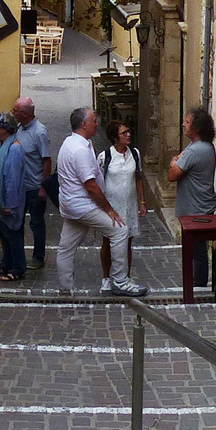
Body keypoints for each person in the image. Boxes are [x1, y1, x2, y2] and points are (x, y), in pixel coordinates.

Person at [57, 107, 147, 296]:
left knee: (66, 247)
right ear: (84, 124)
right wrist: (108, 209)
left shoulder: (70, 143)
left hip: (71, 205)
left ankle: (65, 287)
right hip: (83, 206)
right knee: (120, 230)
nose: (97, 124)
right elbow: (90, 185)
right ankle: (120, 281)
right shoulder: (80, 150)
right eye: (94, 121)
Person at [97, 119, 151, 292]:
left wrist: (142, 202)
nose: (128, 135)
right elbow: (98, 182)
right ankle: (106, 277)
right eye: (124, 133)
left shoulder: (134, 153)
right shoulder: (105, 156)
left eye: (128, 132)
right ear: (115, 137)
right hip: (112, 207)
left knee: (127, 241)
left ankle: (124, 276)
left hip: (129, 205)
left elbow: (138, 178)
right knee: (108, 241)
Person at [170, 106, 216, 288]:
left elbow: (172, 175)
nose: (183, 124)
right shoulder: (204, 147)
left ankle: (198, 284)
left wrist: (173, 162)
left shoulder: (195, 151)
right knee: (197, 248)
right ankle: (197, 281)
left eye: (188, 122)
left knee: (196, 249)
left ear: (196, 128)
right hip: (201, 204)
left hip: (195, 208)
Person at [0, 113, 29, 280]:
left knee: (12, 233)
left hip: (7, 201)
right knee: (3, 233)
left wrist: (11, 204)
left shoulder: (14, 149)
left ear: (5, 129)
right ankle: (6, 264)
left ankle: (18, 267)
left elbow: (13, 179)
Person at [11, 96, 52, 266]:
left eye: (16, 111)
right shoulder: (19, 128)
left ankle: (38, 257)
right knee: (17, 222)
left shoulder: (39, 132)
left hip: (34, 186)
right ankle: (18, 256)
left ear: (25, 113)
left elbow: (47, 160)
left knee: (36, 222)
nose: (13, 113)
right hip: (21, 186)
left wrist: (44, 187)